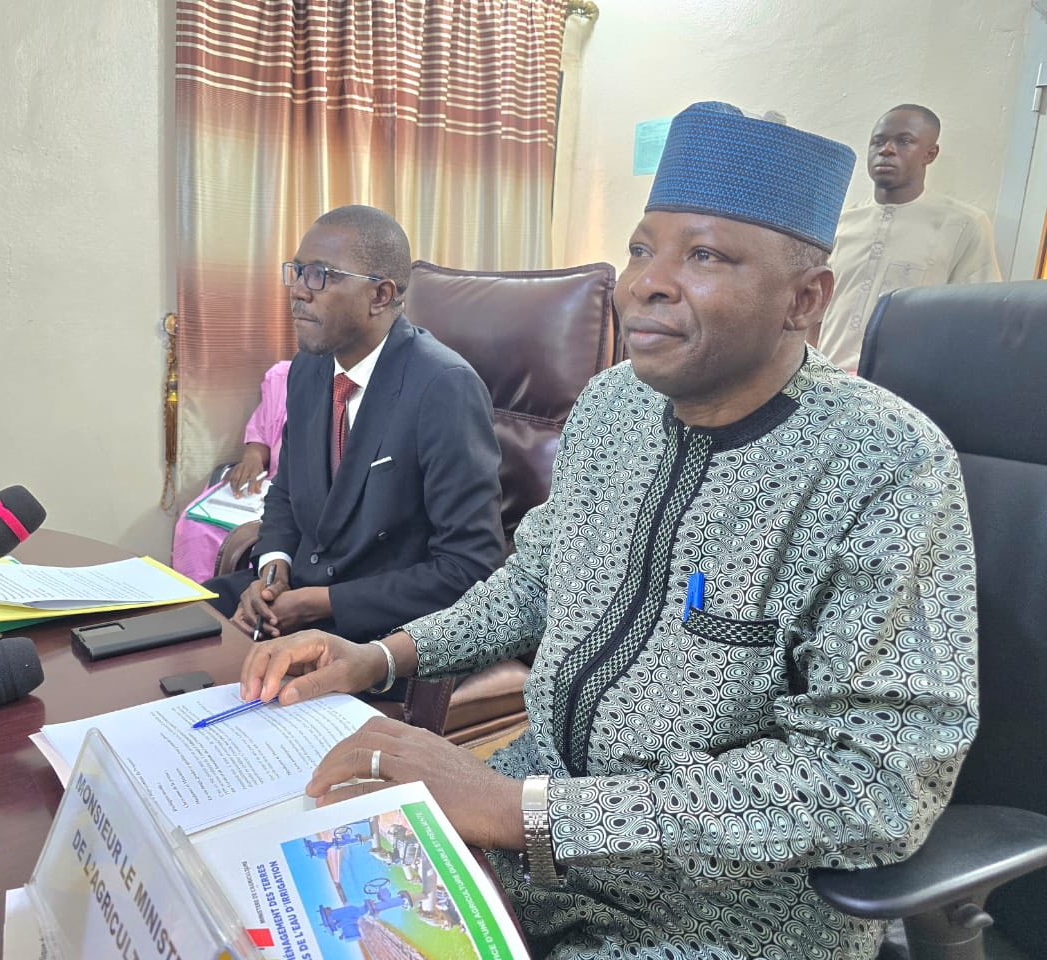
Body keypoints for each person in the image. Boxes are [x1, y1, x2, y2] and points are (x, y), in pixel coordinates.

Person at [239, 103, 979, 960]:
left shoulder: (885, 462)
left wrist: (531, 814)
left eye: (703, 256)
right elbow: (534, 584)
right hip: (527, 813)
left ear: (805, 300)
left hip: (722, 908)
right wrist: (379, 656)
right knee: (285, 895)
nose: (644, 285)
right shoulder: (610, 406)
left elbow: (874, 780)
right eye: (639, 249)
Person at [205, 204, 505, 646]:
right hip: (295, 597)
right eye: (297, 271)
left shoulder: (444, 387)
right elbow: (286, 492)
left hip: (373, 624)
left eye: (320, 275)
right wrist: (272, 570)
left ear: (380, 296)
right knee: (173, 629)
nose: (298, 291)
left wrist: (322, 603)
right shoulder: (309, 368)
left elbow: (469, 566)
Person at [816, 103, 1001, 372]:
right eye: (878, 141)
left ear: (930, 154)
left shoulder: (963, 225)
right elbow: (811, 312)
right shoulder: (840, 222)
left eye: (904, 141)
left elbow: (980, 321)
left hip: (905, 387)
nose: (887, 150)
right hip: (827, 381)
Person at [171, 359, 290, 583]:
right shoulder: (283, 376)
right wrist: (252, 458)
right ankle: (197, 598)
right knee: (195, 523)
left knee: (253, 542)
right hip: (267, 486)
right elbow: (261, 434)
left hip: (298, 496)